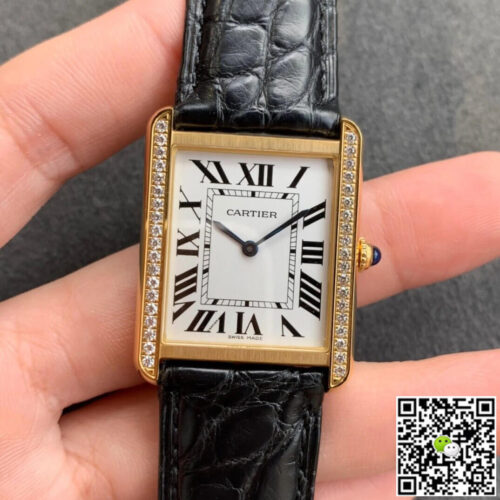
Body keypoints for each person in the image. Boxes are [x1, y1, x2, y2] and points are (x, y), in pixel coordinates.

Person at [0, 1, 498, 498]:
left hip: (265, 380)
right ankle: (472, 472)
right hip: (234, 379)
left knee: (460, 452)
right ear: (358, 255)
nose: (250, 247)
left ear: (355, 255)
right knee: (459, 451)